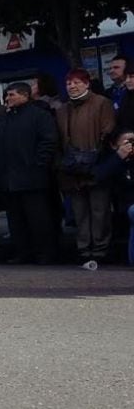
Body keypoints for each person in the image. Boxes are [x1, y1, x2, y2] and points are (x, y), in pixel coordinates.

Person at [0, 82, 59, 264]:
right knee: (16, 219)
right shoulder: (4, 118)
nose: (8, 98)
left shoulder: (40, 116)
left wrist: (39, 164)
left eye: (12, 94)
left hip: (33, 178)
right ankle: (22, 251)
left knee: (39, 219)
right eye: (7, 95)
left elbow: (48, 142)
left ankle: (45, 253)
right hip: (9, 178)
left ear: (25, 95)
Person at [57, 69, 115, 266]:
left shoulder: (101, 103)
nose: (72, 86)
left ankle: (100, 249)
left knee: (100, 210)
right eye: (68, 83)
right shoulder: (63, 109)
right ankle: (84, 249)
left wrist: (95, 157)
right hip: (72, 168)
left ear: (87, 83)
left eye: (76, 82)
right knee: (79, 211)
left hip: (95, 165)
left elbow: (108, 131)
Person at [94, 128, 134, 264]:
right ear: (114, 145)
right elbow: (100, 175)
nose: (131, 145)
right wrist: (119, 157)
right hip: (124, 204)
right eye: (127, 142)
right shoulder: (112, 159)